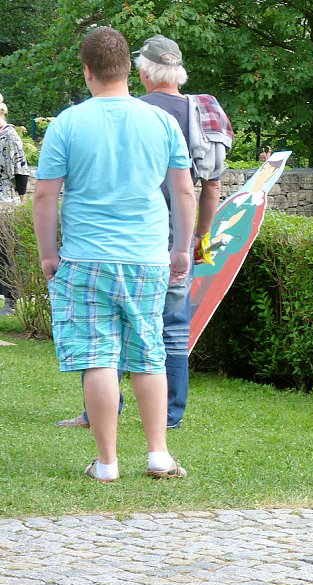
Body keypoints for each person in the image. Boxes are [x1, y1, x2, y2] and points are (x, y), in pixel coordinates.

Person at [33, 26, 196, 481]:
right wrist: (181, 247)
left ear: (87, 71)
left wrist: (49, 253)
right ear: (130, 69)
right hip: (147, 257)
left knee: (98, 356)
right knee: (150, 352)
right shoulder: (161, 121)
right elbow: (184, 190)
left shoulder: (67, 123)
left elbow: (46, 196)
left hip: (85, 258)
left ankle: (106, 462)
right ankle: (158, 454)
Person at [56, 33, 231, 430]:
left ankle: (101, 413)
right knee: (171, 329)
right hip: (178, 239)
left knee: (107, 328)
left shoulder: (132, 110)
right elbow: (210, 186)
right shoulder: (202, 113)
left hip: (132, 238)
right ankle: (170, 415)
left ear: (141, 71)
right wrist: (198, 238)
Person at [0, 94, 29, 307]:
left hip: (5, 203)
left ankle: (11, 300)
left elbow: (20, 171)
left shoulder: (9, 136)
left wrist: (21, 201)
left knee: (6, 252)